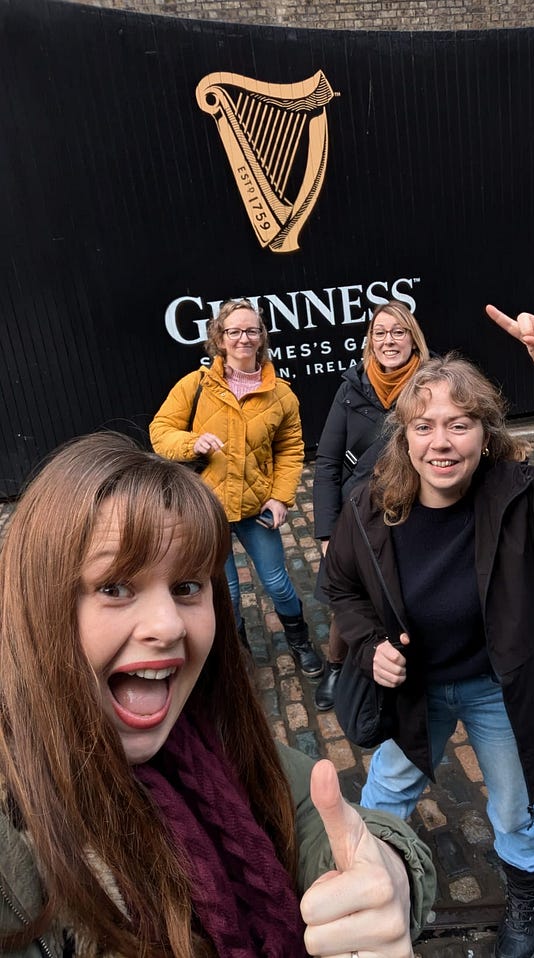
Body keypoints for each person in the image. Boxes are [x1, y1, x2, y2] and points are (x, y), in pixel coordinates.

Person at [0, 432, 436, 958]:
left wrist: (387, 876)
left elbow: (320, 822)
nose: (168, 626)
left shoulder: (214, 741)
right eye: (115, 587)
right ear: (36, 603)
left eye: (187, 587)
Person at [324, 305, 534, 958]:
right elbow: (340, 587)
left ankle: (526, 896)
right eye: (424, 426)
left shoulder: (524, 499)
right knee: (384, 794)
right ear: (405, 436)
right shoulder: (371, 507)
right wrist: (369, 647)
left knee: (516, 803)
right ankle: (375, 891)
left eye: (460, 424)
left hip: (497, 688)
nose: (441, 442)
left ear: (486, 433)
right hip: (416, 689)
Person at [150, 298, 322, 678]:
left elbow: (291, 449)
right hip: (206, 510)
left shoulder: (281, 394)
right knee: (226, 593)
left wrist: (280, 497)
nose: (243, 338)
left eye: (251, 330)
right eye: (234, 331)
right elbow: (160, 432)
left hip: (256, 508)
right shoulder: (195, 386)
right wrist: (191, 443)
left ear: (261, 339)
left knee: (277, 583)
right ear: (220, 339)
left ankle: (300, 642)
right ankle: (237, 655)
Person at [312, 301, 430, 710]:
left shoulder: (431, 386)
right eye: (380, 332)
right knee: (348, 596)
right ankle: (336, 665)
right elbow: (327, 462)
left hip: (418, 510)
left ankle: (410, 659)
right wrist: (327, 532)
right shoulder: (352, 388)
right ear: (369, 341)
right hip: (359, 516)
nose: (388, 340)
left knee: (412, 593)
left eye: (398, 331)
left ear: (412, 338)